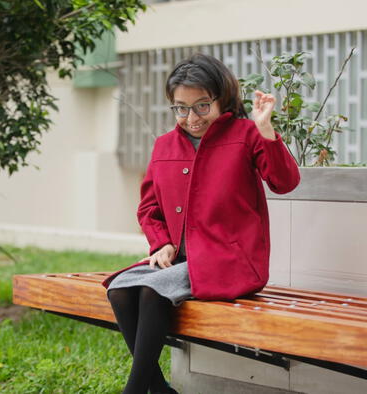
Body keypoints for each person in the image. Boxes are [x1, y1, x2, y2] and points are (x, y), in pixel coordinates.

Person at [102, 53, 300, 394]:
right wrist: (161, 242)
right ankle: (161, 390)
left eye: (202, 106)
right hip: (178, 260)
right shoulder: (164, 145)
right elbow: (149, 208)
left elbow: (285, 182)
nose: (192, 118)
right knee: (119, 289)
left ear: (222, 99)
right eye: (181, 108)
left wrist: (265, 128)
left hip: (230, 260)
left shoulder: (246, 134)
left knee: (152, 291)